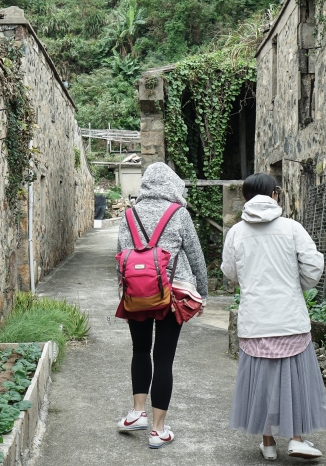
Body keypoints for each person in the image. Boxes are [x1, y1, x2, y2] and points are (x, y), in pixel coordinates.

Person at [222, 173, 326, 461]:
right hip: (289, 317)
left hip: (255, 320)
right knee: (295, 380)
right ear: (274, 195)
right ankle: (297, 439)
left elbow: (230, 272)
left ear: (246, 198)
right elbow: (312, 265)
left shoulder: (236, 232)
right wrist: (298, 287)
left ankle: (268, 444)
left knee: (261, 383)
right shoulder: (292, 228)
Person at [115, 163, 208, 449]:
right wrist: (201, 293)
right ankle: (158, 430)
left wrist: (127, 288)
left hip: (136, 293)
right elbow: (196, 257)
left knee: (140, 350)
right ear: (171, 184)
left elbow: (119, 255)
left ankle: (137, 412)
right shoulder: (179, 214)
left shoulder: (128, 215)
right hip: (173, 297)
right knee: (164, 358)